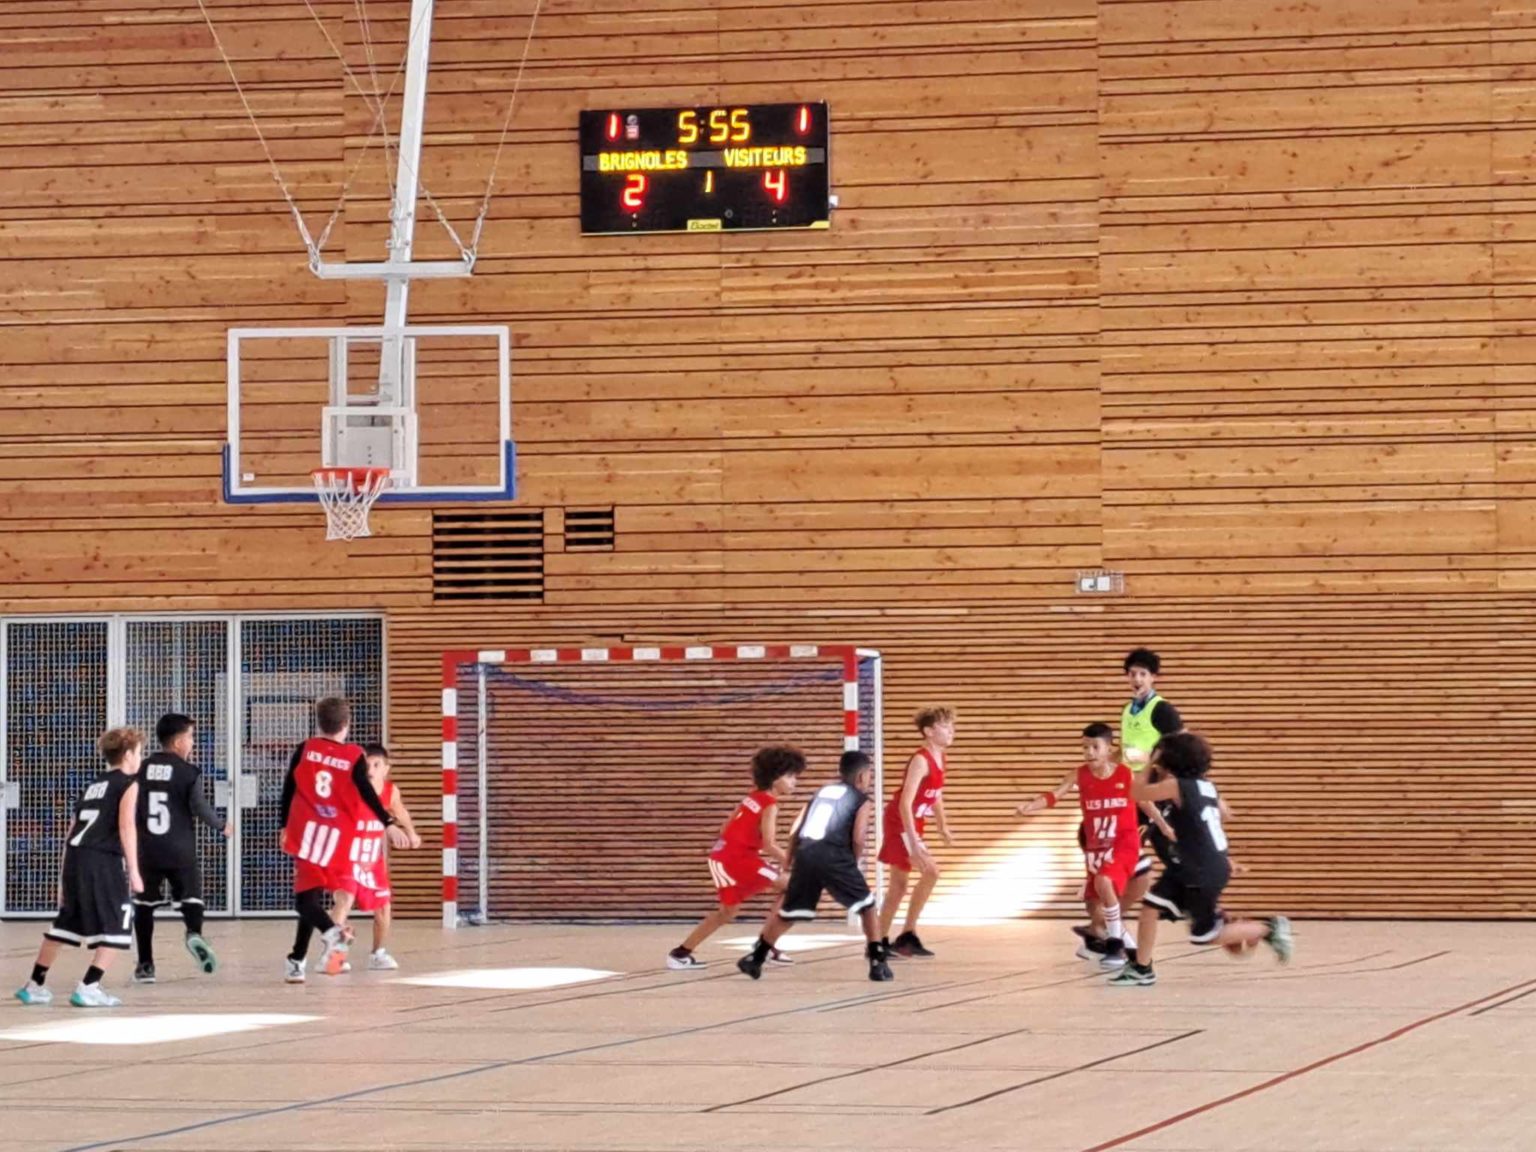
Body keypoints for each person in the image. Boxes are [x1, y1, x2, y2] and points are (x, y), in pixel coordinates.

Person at [1109, 731, 1292, 986]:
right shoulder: (1207, 786)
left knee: (1204, 935)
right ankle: (1142, 968)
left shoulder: (1177, 786)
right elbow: (1223, 815)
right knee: (1150, 908)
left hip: (1199, 869)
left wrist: (1149, 761)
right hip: (1194, 865)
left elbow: (1136, 793)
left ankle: (1268, 928)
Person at [15, 727, 146, 1008]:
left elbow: (71, 831)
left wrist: (63, 879)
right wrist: (134, 871)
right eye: (139, 753)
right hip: (102, 860)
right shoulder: (129, 783)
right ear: (127, 755)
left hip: (76, 858)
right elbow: (126, 827)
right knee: (120, 922)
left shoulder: (94, 785)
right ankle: (89, 986)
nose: (140, 758)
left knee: (66, 923)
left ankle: (34, 984)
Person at [280, 697, 406, 983]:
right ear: (346, 725)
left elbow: (289, 787)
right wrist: (388, 822)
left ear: (318, 722)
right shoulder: (353, 755)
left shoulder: (306, 749)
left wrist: (283, 824)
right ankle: (297, 960)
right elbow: (366, 792)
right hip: (340, 841)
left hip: (309, 835)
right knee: (314, 898)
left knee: (306, 901)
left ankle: (334, 935)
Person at [737, 751, 892, 983]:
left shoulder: (820, 792)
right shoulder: (861, 799)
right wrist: (854, 861)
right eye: (869, 774)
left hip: (806, 853)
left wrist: (789, 860)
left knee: (790, 911)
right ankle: (878, 962)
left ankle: (756, 957)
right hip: (835, 856)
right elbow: (858, 837)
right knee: (867, 906)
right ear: (862, 776)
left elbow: (796, 828)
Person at [1017, 723, 1152, 969]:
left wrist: (1164, 826)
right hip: (1095, 848)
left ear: (1108, 748)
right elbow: (1055, 795)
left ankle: (1114, 945)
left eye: (1094, 747)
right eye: (1084, 747)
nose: (1089, 752)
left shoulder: (1125, 773)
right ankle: (1123, 950)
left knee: (1110, 884)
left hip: (1122, 845)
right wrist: (1031, 806)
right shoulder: (1080, 774)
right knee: (1094, 905)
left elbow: (1144, 798)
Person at [668, 746, 803, 970]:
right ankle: (766, 945)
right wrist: (792, 862)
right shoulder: (769, 804)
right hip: (737, 860)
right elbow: (769, 844)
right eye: (790, 776)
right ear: (775, 777)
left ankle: (680, 954)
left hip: (723, 857)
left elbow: (725, 828)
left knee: (727, 912)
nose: (794, 782)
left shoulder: (751, 797)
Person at [131, 713, 228, 983]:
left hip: (147, 850)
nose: (193, 743)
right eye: (190, 737)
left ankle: (146, 965)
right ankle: (194, 933)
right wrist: (221, 826)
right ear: (177, 742)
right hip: (180, 849)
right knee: (191, 898)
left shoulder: (140, 769)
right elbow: (199, 807)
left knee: (144, 906)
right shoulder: (188, 772)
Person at [876, 707, 956, 958]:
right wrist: (913, 842)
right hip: (900, 821)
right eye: (945, 726)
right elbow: (904, 803)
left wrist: (942, 825)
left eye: (952, 725)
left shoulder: (940, 757)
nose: (951, 730)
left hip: (914, 822)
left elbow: (936, 794)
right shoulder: (920, 760)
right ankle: (884, 941)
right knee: (929, 872)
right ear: (929, 731)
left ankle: (900, 937)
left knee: (899, 886)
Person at [340, 743, 422, 971]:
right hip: (348, 856)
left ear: (386, 768)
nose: (371, 770)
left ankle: (378, 954)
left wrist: (411, 832)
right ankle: (334, 954)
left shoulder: (390, 791)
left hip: (371, 860)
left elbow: (400, 811)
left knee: (384, 907)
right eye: (367, 765)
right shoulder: (351, 789)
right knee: (343, 902)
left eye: (376, 765)